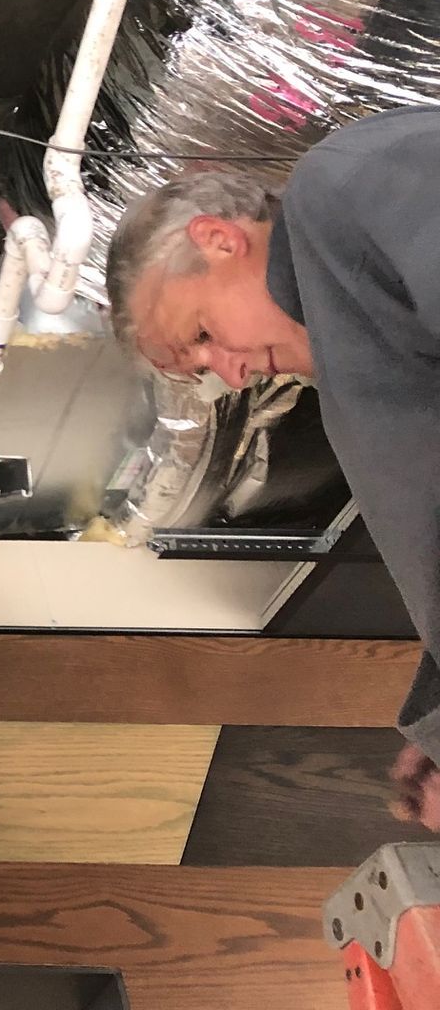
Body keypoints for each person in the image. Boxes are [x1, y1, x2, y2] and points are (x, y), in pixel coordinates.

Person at [106, 104, 440, 830]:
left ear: (219, 240)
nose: (229, 373)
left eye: (201, 334)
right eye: (201, 369)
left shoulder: (343, 187)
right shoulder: (353, 391)